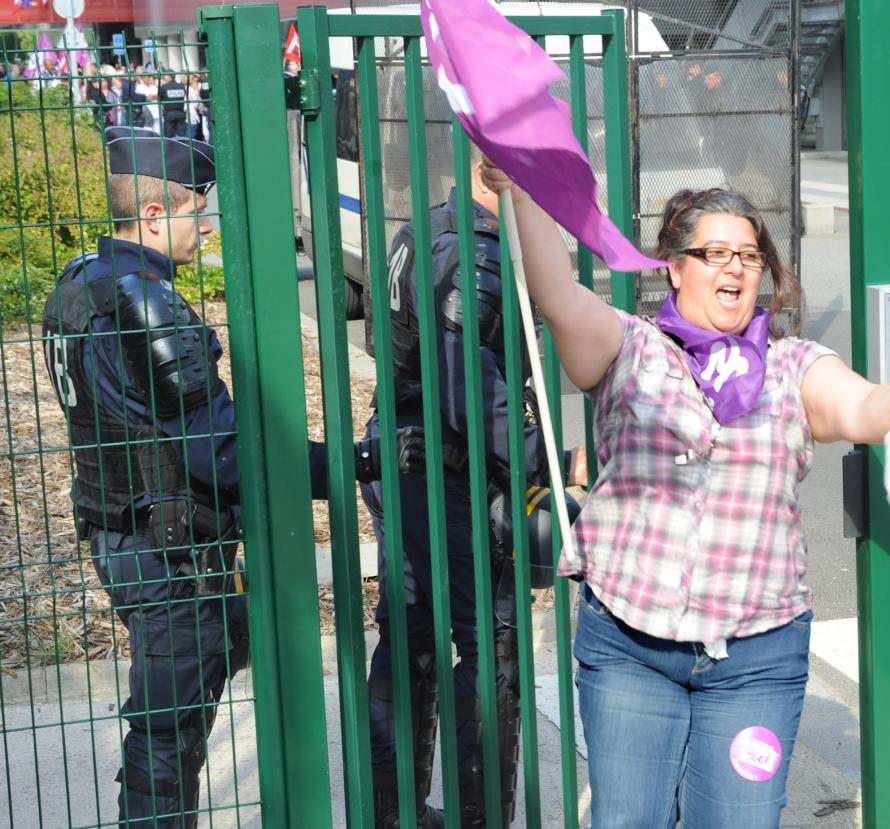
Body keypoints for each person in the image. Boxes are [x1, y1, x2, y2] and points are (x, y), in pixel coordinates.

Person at [480, 160, 890, 827]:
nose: (735, 268)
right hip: (628, 646)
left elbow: (866, 406)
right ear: (675, 267)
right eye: (716, 253)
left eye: (750, 256)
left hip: (755, 658)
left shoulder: (792, 365)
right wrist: (520, 193)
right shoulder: (630, 348)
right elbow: (557, 292)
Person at [40, 127, 425, 829]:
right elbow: (227, 455)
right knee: (168, 733)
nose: (207, 223)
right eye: (197, 207)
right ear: (154, 216)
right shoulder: (147, 306)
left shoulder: (79, 283)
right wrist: (358, 460)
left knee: (210, 666)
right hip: (168, 553)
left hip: (123, 530)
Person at [360, 150, 585, 829]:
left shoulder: (428, 228)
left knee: (410, 638)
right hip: (447, 473)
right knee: (494, 648)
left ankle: (394, 813)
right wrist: (550, 460)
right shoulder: (479, 259)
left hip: (404, 457)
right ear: (504, 169)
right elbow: (470, 395)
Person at [158, 71, 188, 138]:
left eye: (165, 76)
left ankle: (169, 148)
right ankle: (183, 148)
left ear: (169, 77)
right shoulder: (181, 86)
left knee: (168, 136)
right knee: (182, 135)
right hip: (181, 113)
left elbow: (160, 98)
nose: (164, 77)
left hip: (169, 114)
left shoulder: (164, 87)